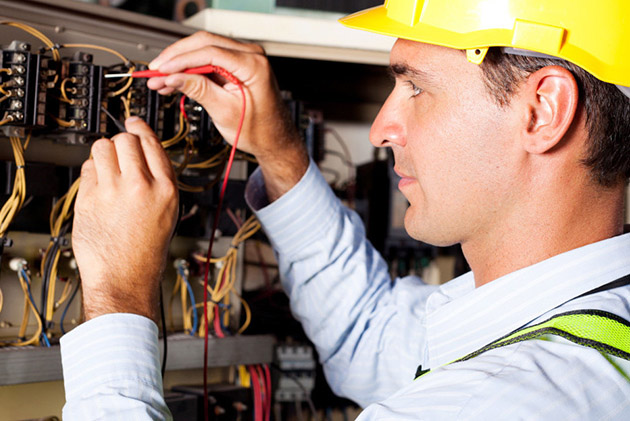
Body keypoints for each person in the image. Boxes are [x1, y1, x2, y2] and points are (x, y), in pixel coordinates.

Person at [61, 0, 630, 419]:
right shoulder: (593, 325)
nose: (383, 129)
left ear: (543, 111)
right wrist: (281, 152)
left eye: (417, 88)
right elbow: (370, 335)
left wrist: (119, 294)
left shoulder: (497, 403)